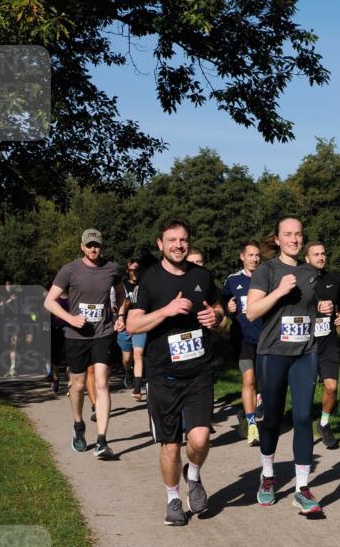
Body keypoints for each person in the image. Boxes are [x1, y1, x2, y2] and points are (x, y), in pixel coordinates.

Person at [128, 217, 223, 526]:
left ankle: (192, 475)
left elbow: (219, 309)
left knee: (200, 439)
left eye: (183, 240)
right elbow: (132, 324)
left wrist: (215, 316)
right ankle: (172, 499)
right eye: (172, 240)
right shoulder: (149, 280)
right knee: (170, 444)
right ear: (160, 244)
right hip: (163, 375)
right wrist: (165, 311)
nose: (178, 245)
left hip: (199, 372)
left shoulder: (202, 275)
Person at [246, 218, 335, 515]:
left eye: (298, 234)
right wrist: (279, 292)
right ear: (277, 239)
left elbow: (308, 308)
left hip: (305, 352)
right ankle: (268, 476)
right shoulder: (267, 270)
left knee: (302, 417)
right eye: (288, 234)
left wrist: (321, 309)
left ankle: (302, 488)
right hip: (273, 353)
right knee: (272, 418)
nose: (294, 239)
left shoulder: (310, 272)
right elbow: (252, 312)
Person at [44, 229, 125, 459]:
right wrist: (70, 319)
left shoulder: (112, 269)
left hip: (103, 333)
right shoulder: (69, 270)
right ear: (82, 247)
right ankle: (78, 425)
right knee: (78, 385)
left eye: (96, 245)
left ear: (102, 246)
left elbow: (122, 294)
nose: (93, 249)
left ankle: (102, 440)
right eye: (89, 245)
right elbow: (49, 301)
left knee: (102, 383)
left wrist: (120, 316)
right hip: (76, 336)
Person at [303, 241, 340, 449]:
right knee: (306, 390)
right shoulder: (299, 280)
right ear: (306, 258)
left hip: (328, 342)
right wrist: (316, 306)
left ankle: (323, 423)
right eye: (316, 254)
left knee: (331, 387)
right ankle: (303, 427)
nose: (321, 257)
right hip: (306, 344)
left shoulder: (334, 278)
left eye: (323, 254)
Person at [221, 241, 264, 444]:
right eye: (251, 255)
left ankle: (251, 409)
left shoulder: (266, 277)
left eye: (257, 255)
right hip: (242, 339)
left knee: (264, 381)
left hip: (265, 338)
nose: (254, 259)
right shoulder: (233, 280)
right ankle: (252, 425)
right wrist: (227, 308)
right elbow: (220, 303)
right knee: (248, 380)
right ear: (242, 257)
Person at [116, 258, 147, 401]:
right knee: (127, 358)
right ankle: (128, 371)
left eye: (137, 270)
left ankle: (137, 388)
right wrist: (120, 316)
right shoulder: (122, 285)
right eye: (132, 270)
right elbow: (117, 303)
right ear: (127, 271)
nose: (135, 273)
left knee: (138, 355)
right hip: (125, 326)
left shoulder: (145, 284)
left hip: (140, 324)